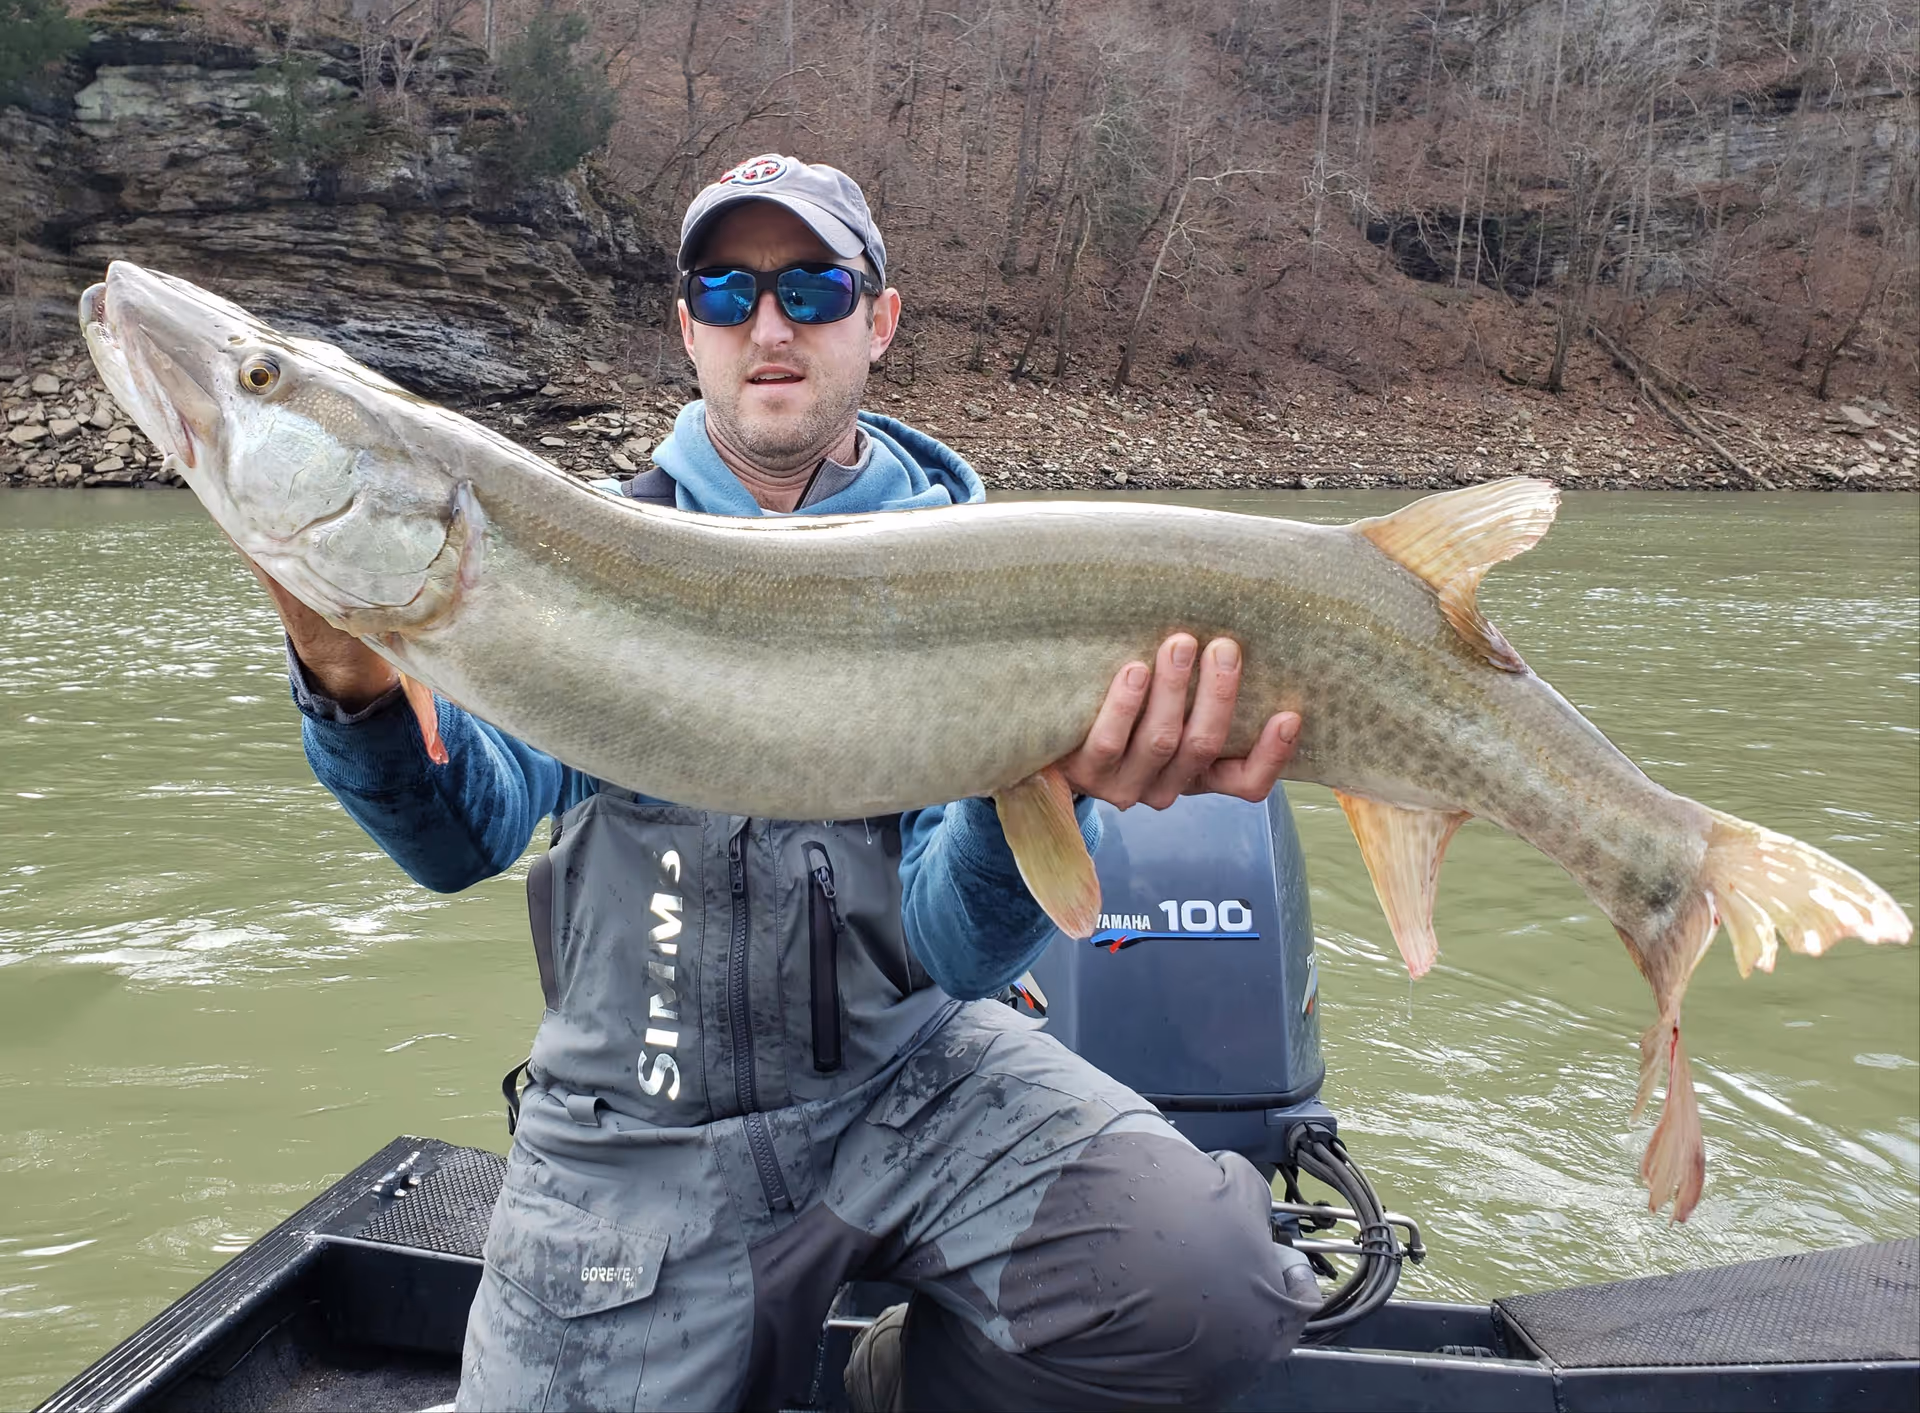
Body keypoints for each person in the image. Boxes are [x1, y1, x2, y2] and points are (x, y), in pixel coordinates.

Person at [241, 153, 1319, 1411]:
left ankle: (881, 1389)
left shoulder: (1000, 580)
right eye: (726, 289)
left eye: (811, 288)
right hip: (637, 1129)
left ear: (879, 319)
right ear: (684, 324)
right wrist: (352, 689)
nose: (767, 323)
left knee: (1209, 1283)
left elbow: (957, 947)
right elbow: (453, 838)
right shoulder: (570, 550)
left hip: (910, 1081)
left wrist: (1046, 786)